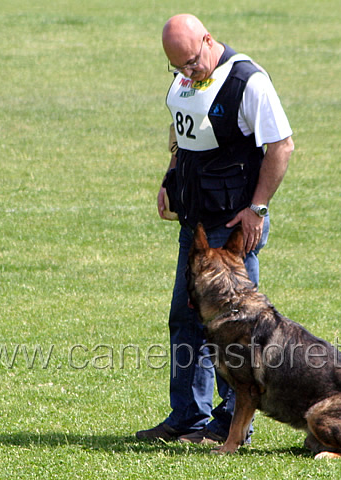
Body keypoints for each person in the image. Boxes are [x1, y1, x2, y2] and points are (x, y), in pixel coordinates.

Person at [136, 14, 294, 445]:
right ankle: (187, 418)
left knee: (239, 329)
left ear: (208, 40)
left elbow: (281, 145)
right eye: (178, 68)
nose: (187, 73)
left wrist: (258, 208)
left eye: (191, 62)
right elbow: (181, 133)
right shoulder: (186, 79)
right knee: (185, 319)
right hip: (196, 224)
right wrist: (170, 179)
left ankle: (231, 426)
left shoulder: (248, 80)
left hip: (232, 226)